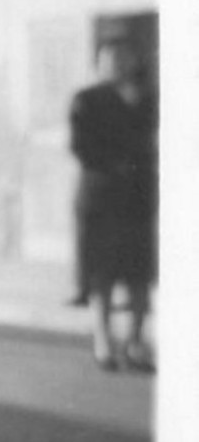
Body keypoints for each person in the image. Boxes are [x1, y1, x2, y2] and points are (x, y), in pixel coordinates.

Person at [69, 37, 158, 372]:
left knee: (139, 276)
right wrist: (124, 161)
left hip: (138, 199)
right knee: (102, 276)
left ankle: (136, 342)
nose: (118, 64)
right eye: (110, 58)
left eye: (124, 57)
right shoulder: (86, 100)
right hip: (101, 199)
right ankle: (103, 340)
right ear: (98, 63)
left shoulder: (148, 99)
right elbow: (82, 147)